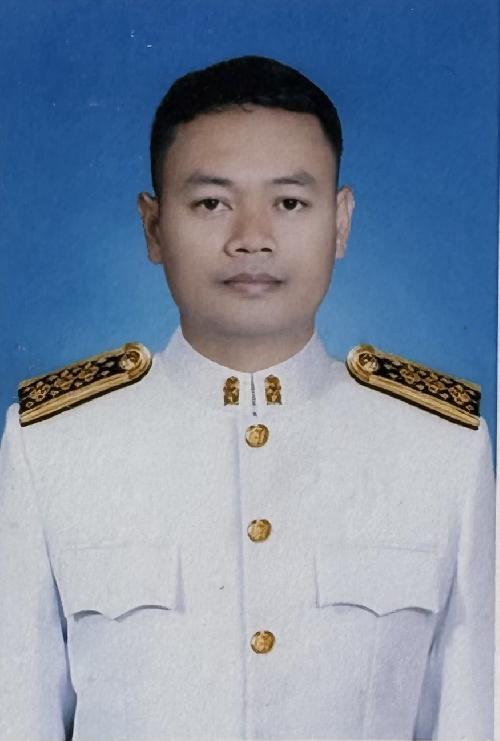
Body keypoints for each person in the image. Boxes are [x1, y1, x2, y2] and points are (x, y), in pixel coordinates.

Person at [0, 55, 494, 741]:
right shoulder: (52, 445)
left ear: (341, 222)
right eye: (212, 203)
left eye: (289, 203)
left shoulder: (442, 449)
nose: (251, 239)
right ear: (154, 226)